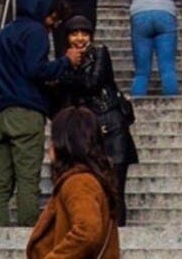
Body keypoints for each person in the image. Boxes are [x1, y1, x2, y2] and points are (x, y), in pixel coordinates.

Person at [0, 0, 80, 226]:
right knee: (27, 179)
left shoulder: (3, 34)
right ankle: (28, 235)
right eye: (53, 17)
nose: (53, 24)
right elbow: (36, 69)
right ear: (44, 12)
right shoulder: (36, 32)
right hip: (25, 114)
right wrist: (65, 62)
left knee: (1, 182)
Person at [54, 16, 139, 226]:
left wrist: (66, 73)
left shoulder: (99, 52)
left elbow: (93, 82)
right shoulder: (65, 60)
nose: (80, 39)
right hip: (88, 132)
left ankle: (117, 235)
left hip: (112, 125)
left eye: (84, 34)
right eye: (74, 34)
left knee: (115, 189)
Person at [26, 106, 121, 258]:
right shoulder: (88, 179)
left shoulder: (79, 182)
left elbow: (88, 232)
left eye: (53, 139)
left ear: (65, 143)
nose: (49, 147)